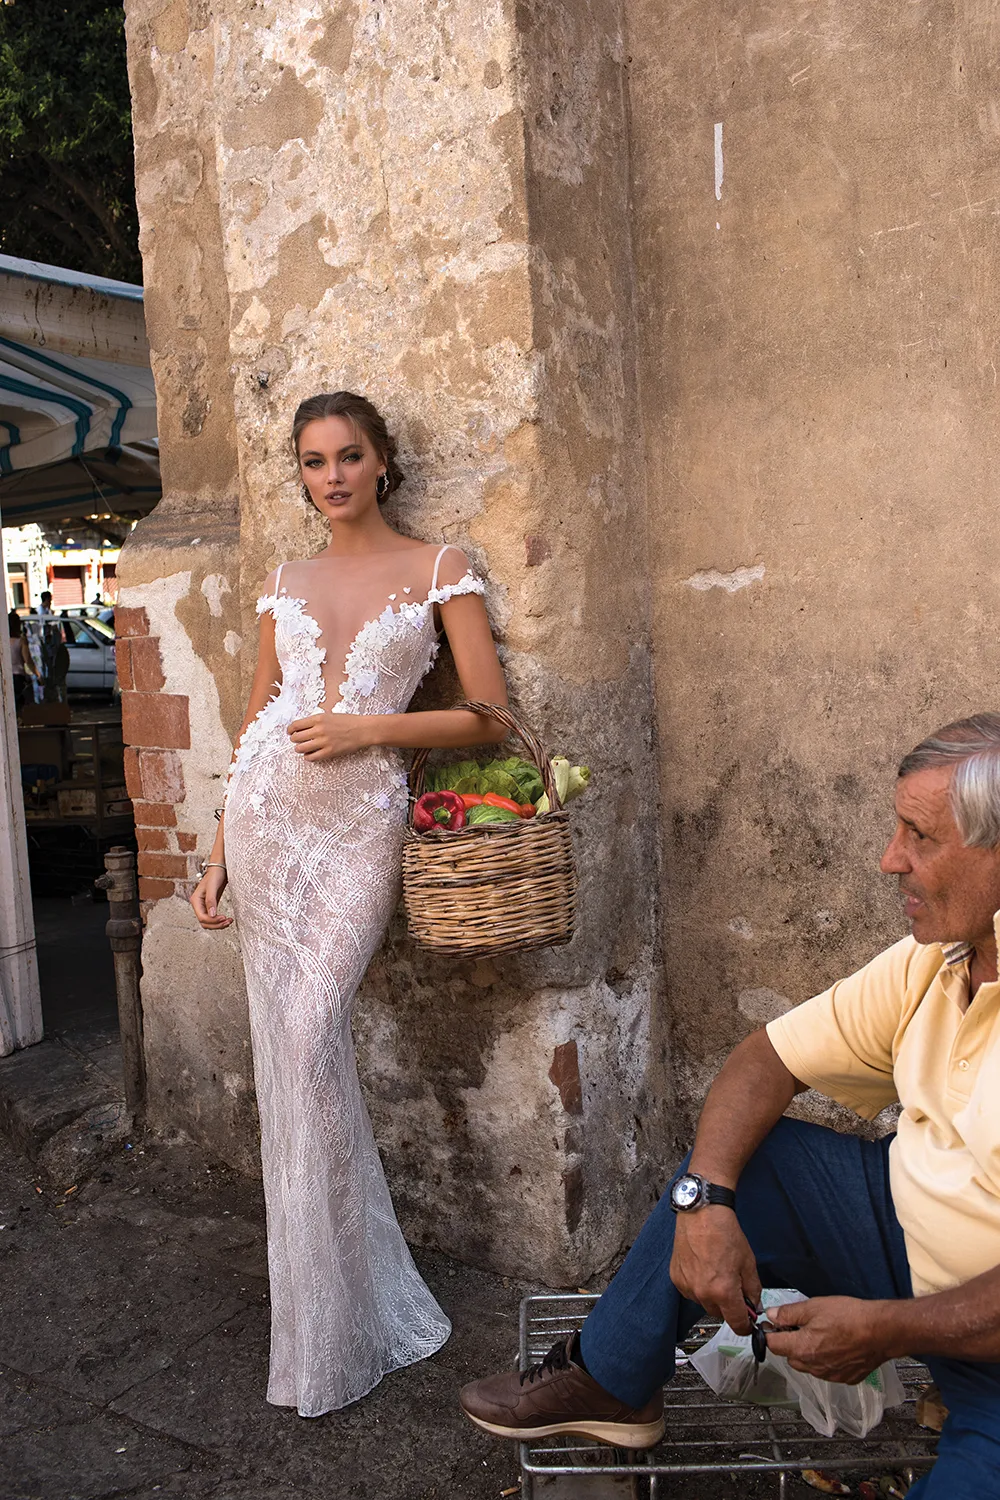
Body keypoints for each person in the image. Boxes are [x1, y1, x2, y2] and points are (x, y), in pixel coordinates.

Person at [460, 714, 1000, 1498]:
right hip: (906, 1243)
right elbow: (767, 1059)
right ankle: (612, 1377)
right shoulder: (944, 956)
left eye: (919, 836)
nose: (891, 859)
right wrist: (704, 1201)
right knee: (755, 1158)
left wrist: (887, 1331)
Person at [190, 391, 508, 1417]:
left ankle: (353, 1303)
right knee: (289, 1059)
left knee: (309, 1035)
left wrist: (372, 729)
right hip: (268, 821)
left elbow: (489, 714)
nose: (330, 476)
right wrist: (217, 853)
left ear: (381, 463)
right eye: (313, 461)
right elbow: (256, 722)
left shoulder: (439, 567)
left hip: (360, 825)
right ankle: (328, 1313)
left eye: (348, 456)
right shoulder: (283, 581)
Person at [7, 610, 34, 709]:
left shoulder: (3, 641)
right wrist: (37, 674)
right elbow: (28, 660)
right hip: (18, 676)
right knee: (20, 705)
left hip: (6, 676)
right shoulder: (21, 641)